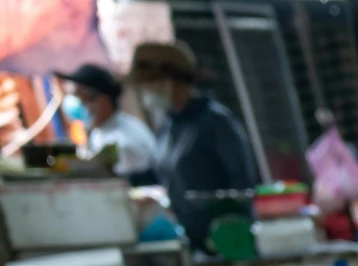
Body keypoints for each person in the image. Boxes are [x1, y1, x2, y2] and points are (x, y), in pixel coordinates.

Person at [127, 41, 259, 249]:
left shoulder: (216, 122)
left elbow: (242, 183)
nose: (145, 91)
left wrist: (228, 228)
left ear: (173, 80)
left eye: (149, 83)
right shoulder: (170, 125)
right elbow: (158, 173)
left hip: (224, 240)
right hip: (189, 239)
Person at [56, 63, 158, 182]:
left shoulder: (124, 142)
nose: (80, 106)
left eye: (83, 99)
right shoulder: (101, 131)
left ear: (103, 100)